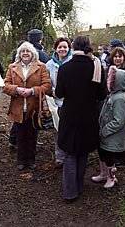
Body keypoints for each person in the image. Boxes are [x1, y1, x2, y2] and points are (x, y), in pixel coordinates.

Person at [55, 35, 107, 201]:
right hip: (89, 115)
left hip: (70, 115)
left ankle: (70, 192)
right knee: (83, 151)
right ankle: (79, 187)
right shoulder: (97, 67)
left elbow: (60, 93)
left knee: (70, 152)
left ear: (73, 47)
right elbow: (102, 94)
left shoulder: (65, 68)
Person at [3, 41, 52, 171]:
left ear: (33, 53)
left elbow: (47, 85)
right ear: (19, 54)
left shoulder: (41, 67)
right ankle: (21, 160)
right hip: (18, 107)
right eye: (23, 51)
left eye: (28, 51)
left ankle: (31, 160)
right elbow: (5, 85)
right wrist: (16, 89)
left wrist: (33, 91)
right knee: (20, 135)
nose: (25, 53)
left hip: (34, 107)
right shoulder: (12, 67)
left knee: (32, 135)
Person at [92, 66, 125, 188]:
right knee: (102, 154)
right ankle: (103, 174)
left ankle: (111, 177)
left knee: (109, 158)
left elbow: (119, 120)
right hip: (106, 134)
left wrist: (105, 130)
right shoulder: (112, 95)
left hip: (111, 135)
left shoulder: (119, 99)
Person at [45, 37, 73, 169]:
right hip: (55, 102)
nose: (62, 49)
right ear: (55, 49)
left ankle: (70, 154)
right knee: (57, 130)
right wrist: (51, 91)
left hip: (70, 103)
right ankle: (59, 157)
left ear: (69, 48)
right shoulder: (49, 64)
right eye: (60, 47)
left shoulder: (73, 62)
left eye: (65, 47)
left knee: (69, 129)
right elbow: (45, 81)